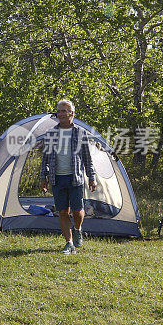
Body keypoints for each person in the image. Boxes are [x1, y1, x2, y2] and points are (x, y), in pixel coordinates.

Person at [40, 99, 97, 254]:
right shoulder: (51, 133)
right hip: (57, 178)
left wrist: (92, 177)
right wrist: (43, 178)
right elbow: (45, 158)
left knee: (77, 210)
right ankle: (69, 242)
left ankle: (78, 229)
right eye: (59, 111)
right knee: (63, 211)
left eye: (65, 111)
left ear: (72, 114)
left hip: (76, 178)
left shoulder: (80, 133)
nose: (62, 114)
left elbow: (87, 158)